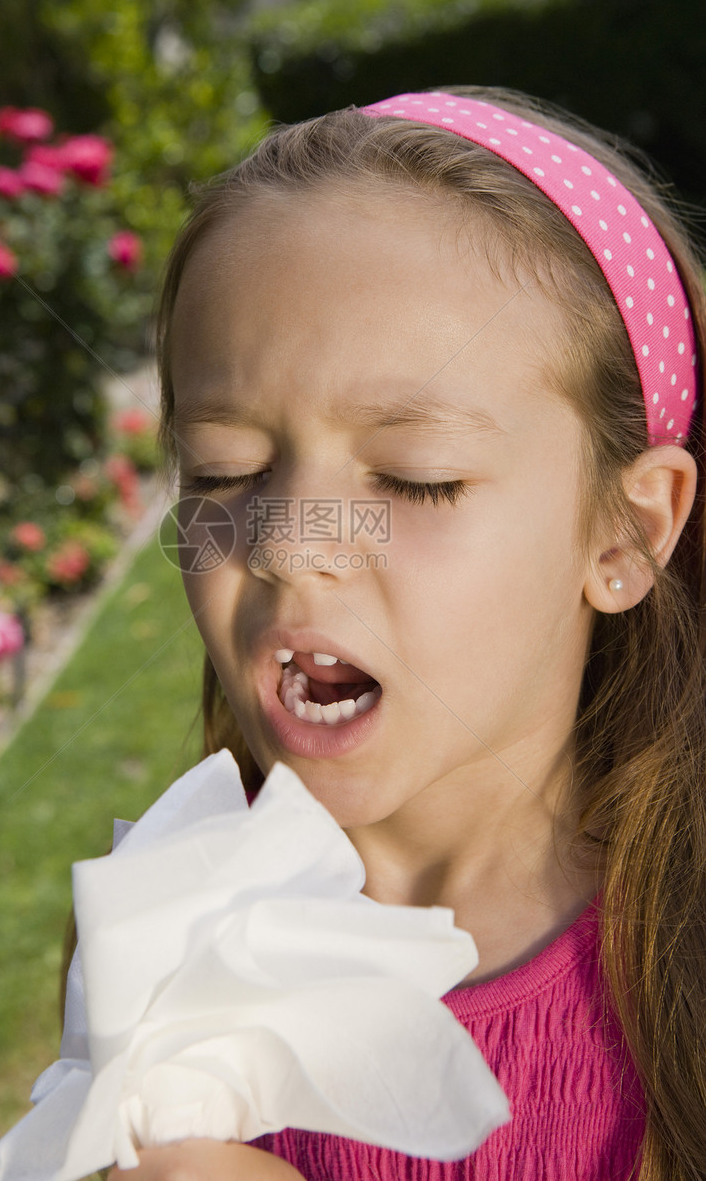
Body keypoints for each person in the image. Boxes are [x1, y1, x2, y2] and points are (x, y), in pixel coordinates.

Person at [104, 86, 706, 1181]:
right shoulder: (168, 933)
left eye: (415, 480)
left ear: (623, 531)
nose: (289, 541)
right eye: (224, 471)